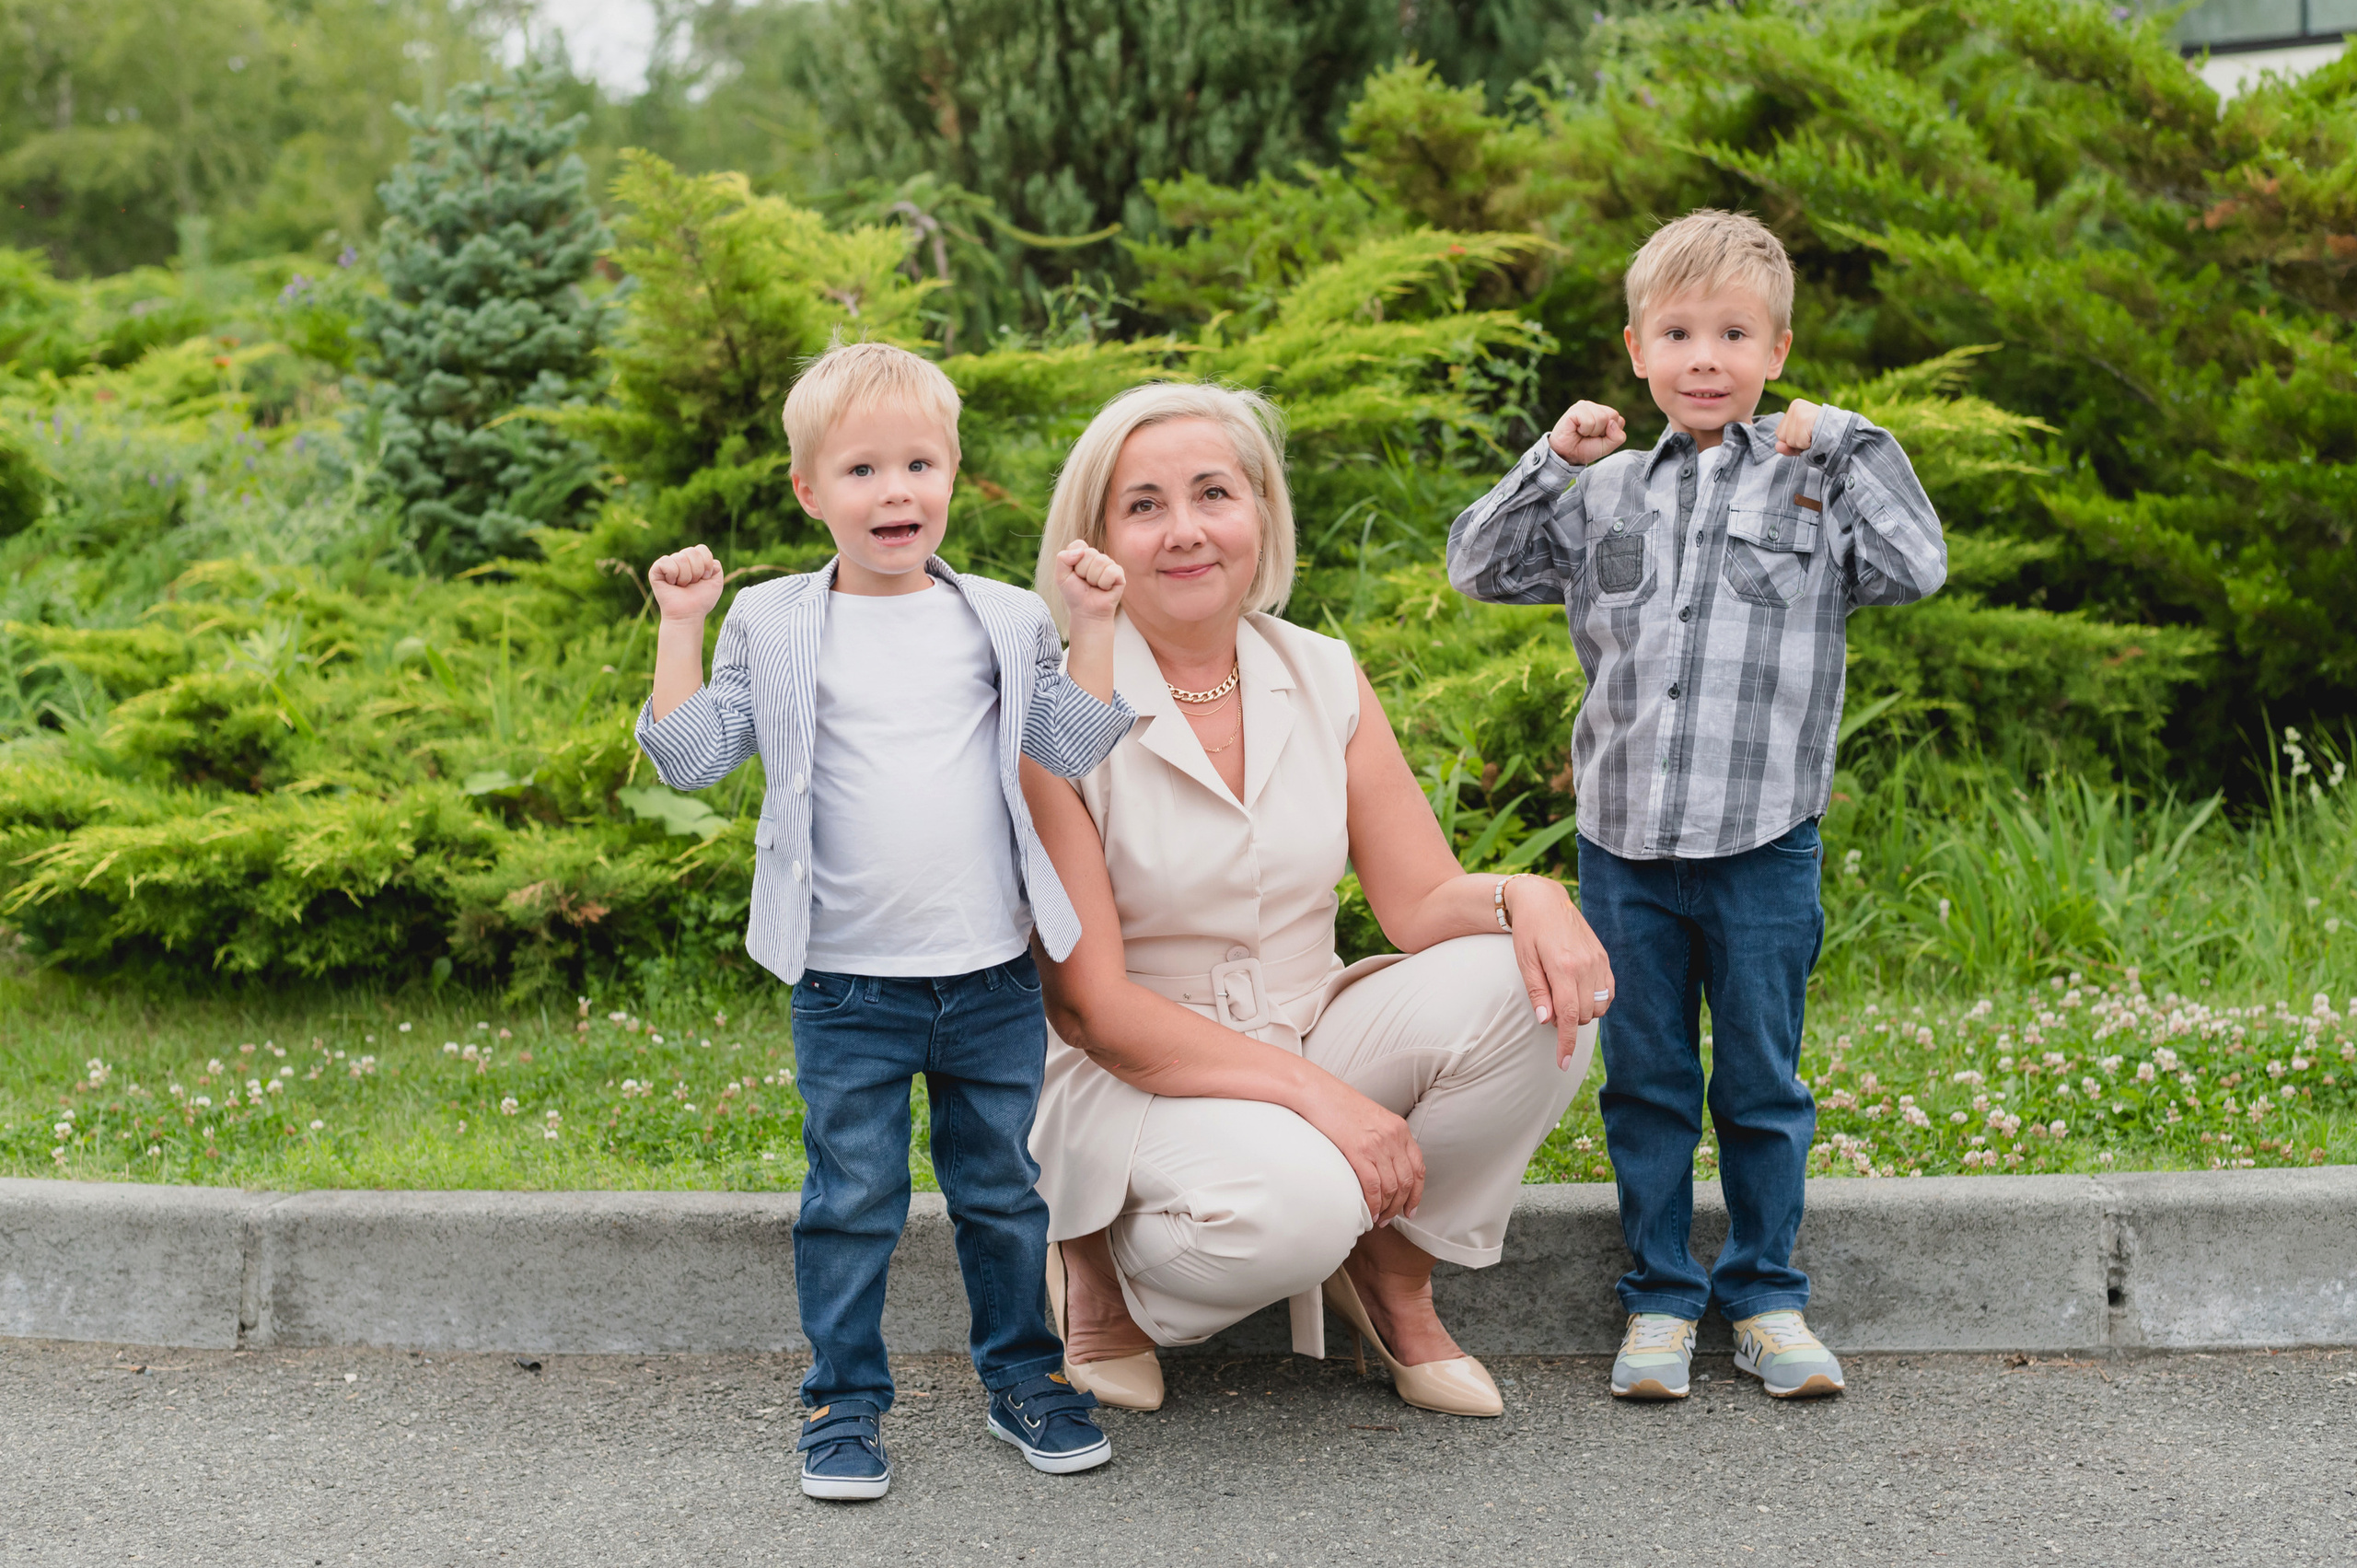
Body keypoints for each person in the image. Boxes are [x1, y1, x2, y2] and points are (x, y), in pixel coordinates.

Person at [1018, 381, 1617, 1420]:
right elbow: (1088, 1007)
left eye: (1214, 493)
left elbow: (1421, 898)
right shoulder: (1056, 705)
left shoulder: (1321, 670)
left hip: (1307, 1018)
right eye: (1144, 505)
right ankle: (1099, 1264)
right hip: (1130, 1068)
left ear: (1259, 511)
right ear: (1095, 539)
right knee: (1300, 1203)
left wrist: (1531, 894)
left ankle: (1390, 1273)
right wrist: (1323, 1102)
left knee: (1532, 993)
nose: (1186, 530)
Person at [1447, 210, 1947, 1401]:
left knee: (1762, 1080)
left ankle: (1768, 1293)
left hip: (1764, 838)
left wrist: (1853, 444)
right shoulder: (1604, 490)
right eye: (1679, 332)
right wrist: (1551, 459)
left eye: (1733, 332)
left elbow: (1918, 566)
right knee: (1649, 1079)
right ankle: (1662, 1297)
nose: (1705, 356)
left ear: (1777, 350)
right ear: (1636, 347)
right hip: (1625, 846)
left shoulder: (1816, 482)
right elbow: (1477, 565)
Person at [633, 341, 1136, 1500]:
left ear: (954, 475)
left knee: (1002, 1193)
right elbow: (692, 757)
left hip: (989, 976)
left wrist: (1092, 621)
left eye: (919, 464)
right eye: (862, 470)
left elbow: (1071, 747)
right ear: (810, 491)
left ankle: (1024, 1377)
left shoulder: (1005, 618)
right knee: (850, 1198)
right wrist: (681, 623)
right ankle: (843, 1400)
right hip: (846, 981)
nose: (895, 490)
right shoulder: (774, 618)